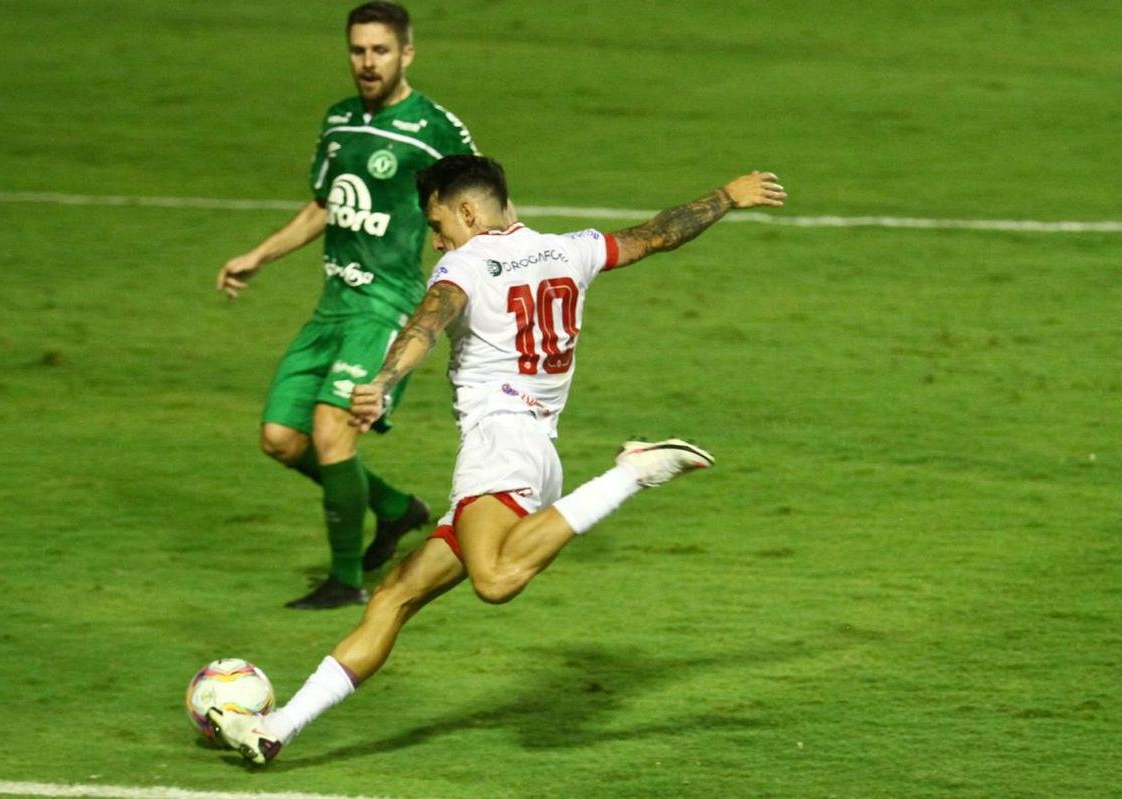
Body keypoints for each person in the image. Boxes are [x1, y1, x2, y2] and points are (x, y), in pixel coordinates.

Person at [208, 155, 787, 763]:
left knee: (494, 579)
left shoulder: (464, 264)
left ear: (467, 211)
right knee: (394, 595)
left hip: (499, 445)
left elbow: (427, 325)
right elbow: (657, 234)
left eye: (438, 225)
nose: (436, 241)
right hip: (534, 451)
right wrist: (727, 196)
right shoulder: (572, 248)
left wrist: (381, 380)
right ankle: (277, 729)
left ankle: (632, 473)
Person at [216, 2, 479, 609]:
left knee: (331, 431)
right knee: (280, 438)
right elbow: (324, 206)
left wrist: (475, 274)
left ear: (406, 54)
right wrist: (260, 255)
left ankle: (345, 582)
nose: (367, 62)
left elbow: (484, 203)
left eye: (380, 50)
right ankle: (395, 508)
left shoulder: (434, 127)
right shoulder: (338, 121)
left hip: (387, 306)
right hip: (333, 306)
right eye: (358, 50)